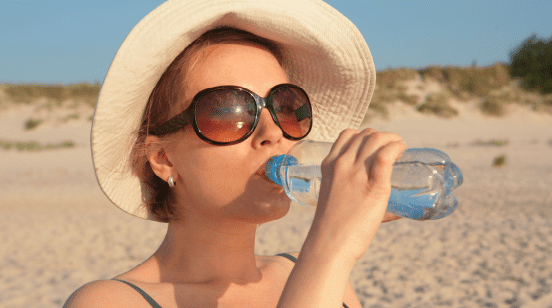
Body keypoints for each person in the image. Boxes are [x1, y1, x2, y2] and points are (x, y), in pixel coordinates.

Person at [64, 0, 406, 307]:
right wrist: (332, 245)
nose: (272, 132)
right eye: (229, 112)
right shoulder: (112, 301)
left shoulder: (317, 276)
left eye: (286, 106)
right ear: (163, 159)